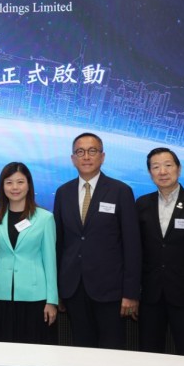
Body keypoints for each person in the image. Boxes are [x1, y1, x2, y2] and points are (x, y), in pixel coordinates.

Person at [53, 132, 141, 349]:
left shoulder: (121, 191)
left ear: (102, 156)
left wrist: (130, 293)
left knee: (112, 350)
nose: (86, 157)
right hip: (73, 287)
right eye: (80, 152)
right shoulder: (63, 192)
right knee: (82, 348)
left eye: (92, 151)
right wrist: (57, 291)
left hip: (110, 290)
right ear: (73, 158)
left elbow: (132, 246)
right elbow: (58, 243)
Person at [136, 147, 184, 356]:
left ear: (178, 169)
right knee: (149, 355)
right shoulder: (142, 204)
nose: (163, 171)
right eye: (156, 167)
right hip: (150, 297)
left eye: (168, 165)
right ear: (150, 172)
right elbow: (137, 252)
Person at [0, 162, 58, 344]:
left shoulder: (45, 218)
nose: (15, 187)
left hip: (35, 298)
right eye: (9, 182)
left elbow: (50, 261)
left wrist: (52, 300)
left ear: (29, 185)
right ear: (2, 187)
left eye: (20, 182)